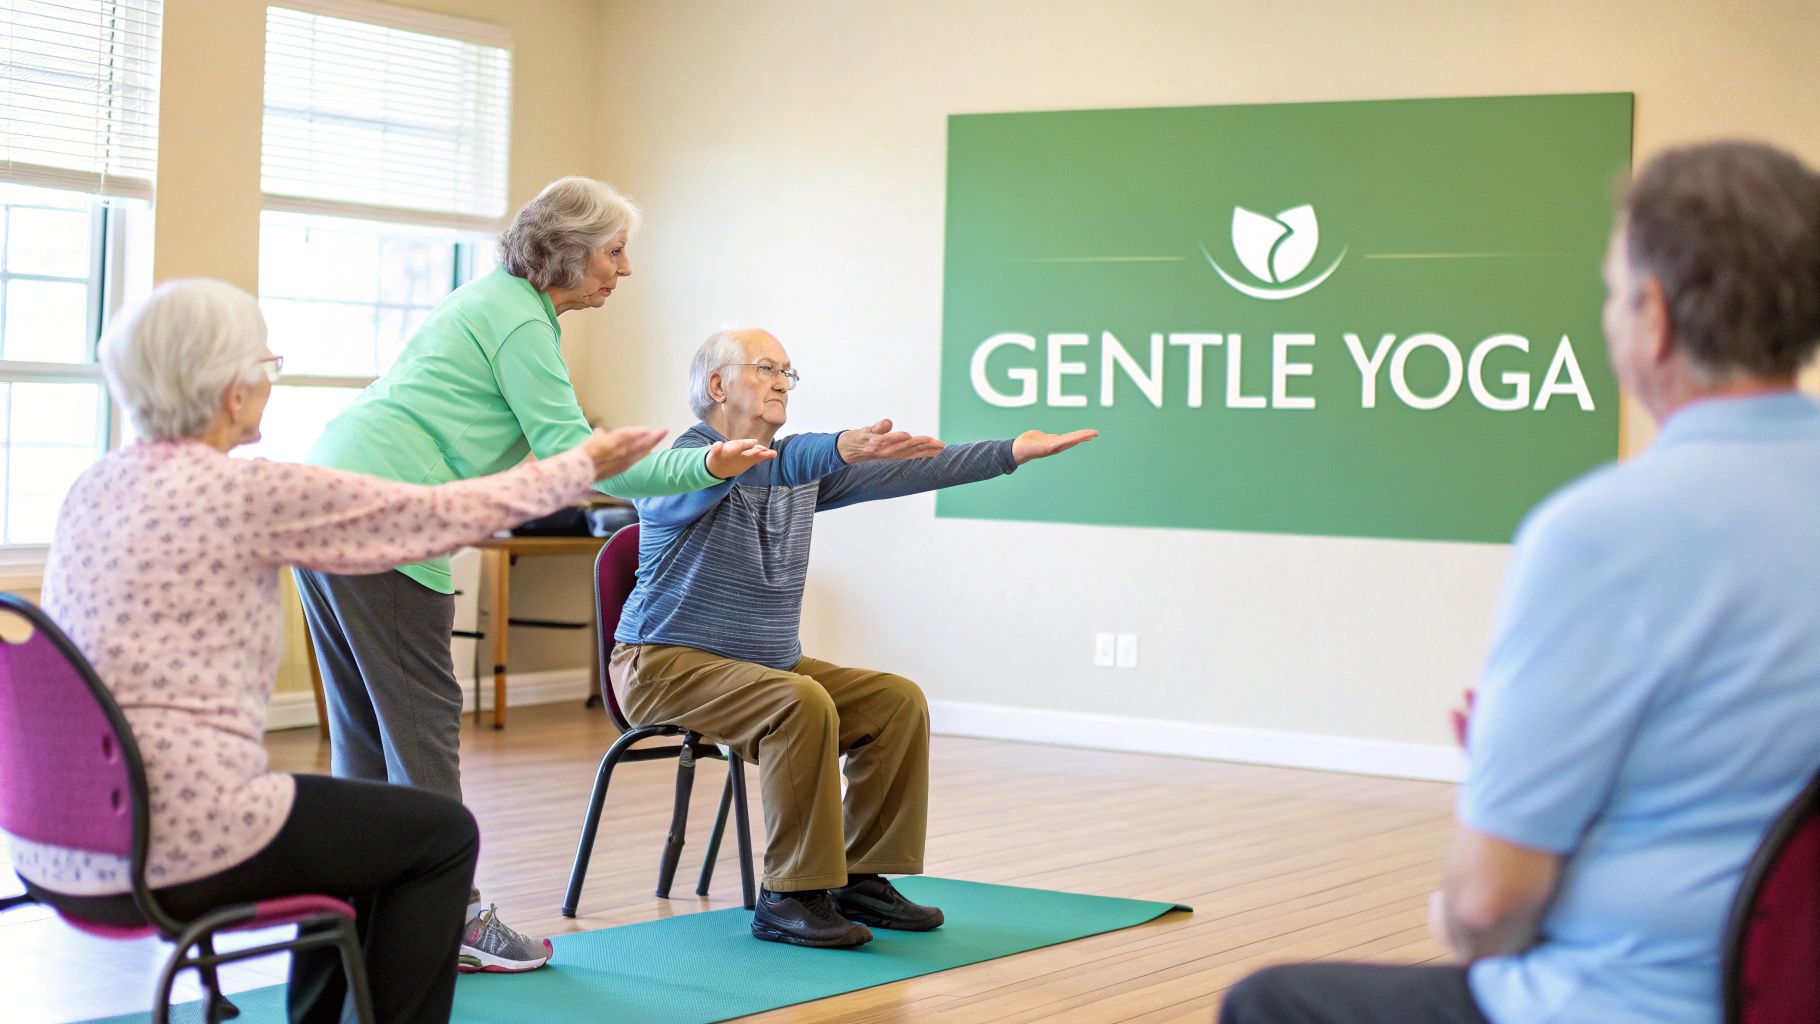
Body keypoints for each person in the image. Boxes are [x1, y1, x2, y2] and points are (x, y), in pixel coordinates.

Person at [1220, 140, 1820, 1023]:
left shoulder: (1604, 534)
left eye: (1613, 292)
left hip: (1634, 1002)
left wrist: (1482, 839)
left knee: (1269, 1003)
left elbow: (1485, 911)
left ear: (1652, 315)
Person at [10, 279, 709, 1022]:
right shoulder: (243, 492)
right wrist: (583, 465)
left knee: (348, 842)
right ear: (230, 389)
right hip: (179, 841)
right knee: (442, 836)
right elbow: (428, 518)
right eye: (265, 369)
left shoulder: (93, 485)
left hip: (58, 844)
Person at [295, 177, 772, 971]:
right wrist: (706, 463)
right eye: (614, 252)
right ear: (569, 250)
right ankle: (450, 921)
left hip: (329, 491)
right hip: (389, 513)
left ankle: (366, 915)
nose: (624, 271)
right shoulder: (520, 322)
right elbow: (579, 461)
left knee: (366, 734)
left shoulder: (493, 301)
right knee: (420, 730)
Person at [611, 327, 1097, 947]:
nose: (783, 380)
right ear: (716, 385)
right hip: (663, 665)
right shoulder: (677, 464)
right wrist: (842, 444)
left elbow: (907, 467)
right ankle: (790, 894)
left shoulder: (793, 471)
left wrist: (1011, 450)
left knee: (894, 701)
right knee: (800, 701)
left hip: (764, 668)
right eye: (766, 368)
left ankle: (858, 877)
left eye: (789, 370)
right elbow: (775, 463)